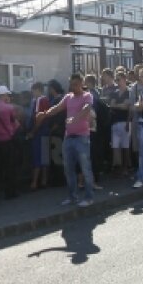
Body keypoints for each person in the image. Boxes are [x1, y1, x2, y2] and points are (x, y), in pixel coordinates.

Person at [39, 73, 96, 208]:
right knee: (68, 170)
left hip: (82, 137)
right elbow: (57, 108)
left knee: (85, 169)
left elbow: (86, 109)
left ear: (82, 83)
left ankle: (89, 198)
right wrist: (45, 114)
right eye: (71, 84)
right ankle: (72, 197)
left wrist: (75, 118)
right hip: (68, 137)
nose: (73, 87)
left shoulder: (87, 96)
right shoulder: (68, 97)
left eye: (76, 84)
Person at [0, 85, 20, 200]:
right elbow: (15, 123)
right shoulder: (9, 108)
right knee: (10, 167)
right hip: (7, 141)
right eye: (7, 95)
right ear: (4, 95)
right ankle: (10, 192)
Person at [25, 81, 51, 191]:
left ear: (37, 90)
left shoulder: (39, 100)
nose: (32, 93)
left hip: (39, 132)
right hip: (45, 131)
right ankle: (44, 181)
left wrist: (32, 132)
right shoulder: (46, 100)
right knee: (44, 157)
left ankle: (34, 182)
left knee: (37, 157)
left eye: (33, 90)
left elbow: (39, 118)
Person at [110, 71, 134, 176]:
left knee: (126, 147)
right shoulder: (114, 92)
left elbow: (128, 108)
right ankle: (118, 167)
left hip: (125, 121)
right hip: (115, 122)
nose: (117, 82)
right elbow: (112, 105)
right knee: (115, 147)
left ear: (124, 79)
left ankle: (126, 167)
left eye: (119, 79)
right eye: (116, 80)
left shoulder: (129, 92)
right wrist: (121, 105)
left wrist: (128, 122)